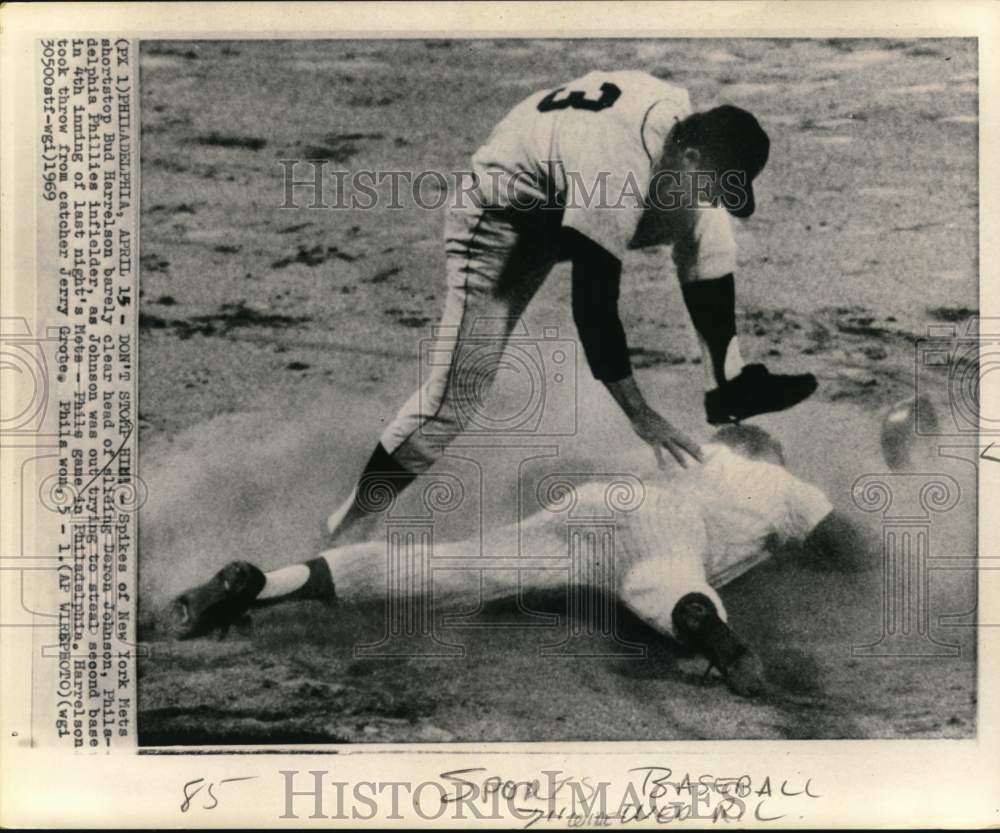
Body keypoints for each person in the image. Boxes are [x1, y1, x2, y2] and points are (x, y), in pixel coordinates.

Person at [325, 69, 817, 546]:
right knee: (457, 395)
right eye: (718, 179)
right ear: (689, 155)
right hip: (503, 219)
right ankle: (347, 526)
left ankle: (728, 393)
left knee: (708, 222)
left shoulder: (681, 126)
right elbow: (594, 306)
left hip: (564, 183)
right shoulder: (616, 167)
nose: (720, 193)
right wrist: (641, 414)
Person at [169, 426, 863, 697]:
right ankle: (734, 657)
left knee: (435, 566)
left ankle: (261, 583)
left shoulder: (684, 448)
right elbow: (850, 548)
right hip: (661, 527)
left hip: (590, 506)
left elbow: (560, 469)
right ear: (770, 455)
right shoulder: (783, 484)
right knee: (673, 577)